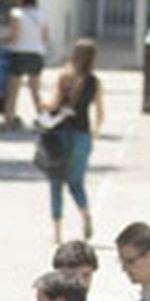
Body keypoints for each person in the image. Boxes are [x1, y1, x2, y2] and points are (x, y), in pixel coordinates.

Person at [41, 40, 106, 244]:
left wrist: (39, 102)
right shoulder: (95, 82)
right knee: (76, 182)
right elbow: (100, 114)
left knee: (55, 182)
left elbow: (52, 104)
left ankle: (58, 231)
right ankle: (85, 213)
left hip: (60, 136)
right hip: (82, 136)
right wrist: (95, 132)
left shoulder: (65, 76)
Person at [3, 0, 50, 128]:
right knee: (35, 91)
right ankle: (44, 119)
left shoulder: (16, 14)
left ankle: (8, 121)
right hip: (36, 54)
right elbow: (46, 37)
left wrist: (3, 41)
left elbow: (14, 36)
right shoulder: (41, 15)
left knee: (13, 91)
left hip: (20, 53)